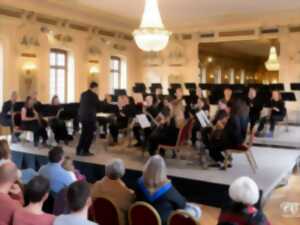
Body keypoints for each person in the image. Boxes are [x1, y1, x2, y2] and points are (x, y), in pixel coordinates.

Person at [135, 155, 201, 225]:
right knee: (196, 209)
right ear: (163, 171)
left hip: (143, 220)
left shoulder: (139, 183)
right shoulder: (168, 190)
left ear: (146, 167)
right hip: (163, 222)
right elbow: (182, 204)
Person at [206, 98, 249, 169]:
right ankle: (224, 160)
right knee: (214, 142)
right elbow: (231, 131)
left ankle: (223, 161)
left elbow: (228, 132)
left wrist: (220, 135)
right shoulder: (243, 115)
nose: (227, 109)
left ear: (232, 108)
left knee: (211, 146)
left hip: (234, 142)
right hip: (240, 140)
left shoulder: (233, 117)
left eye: (228, 107)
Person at [92, 159, 135, 225]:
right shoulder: (127, 194)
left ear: (106, 170)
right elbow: (130, 212)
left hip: (98, 222)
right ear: (122, 172)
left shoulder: (96, 185)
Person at [76, 82, 100, 156]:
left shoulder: (83, 94)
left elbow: (82, 104)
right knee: (89, 135)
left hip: (82, 116)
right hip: (89, 117)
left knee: (84, 134)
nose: (97, 90)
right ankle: (85, 150)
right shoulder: (94, 95)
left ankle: (79, 150)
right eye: (97, 88)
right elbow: (98, 105)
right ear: (95, 88)